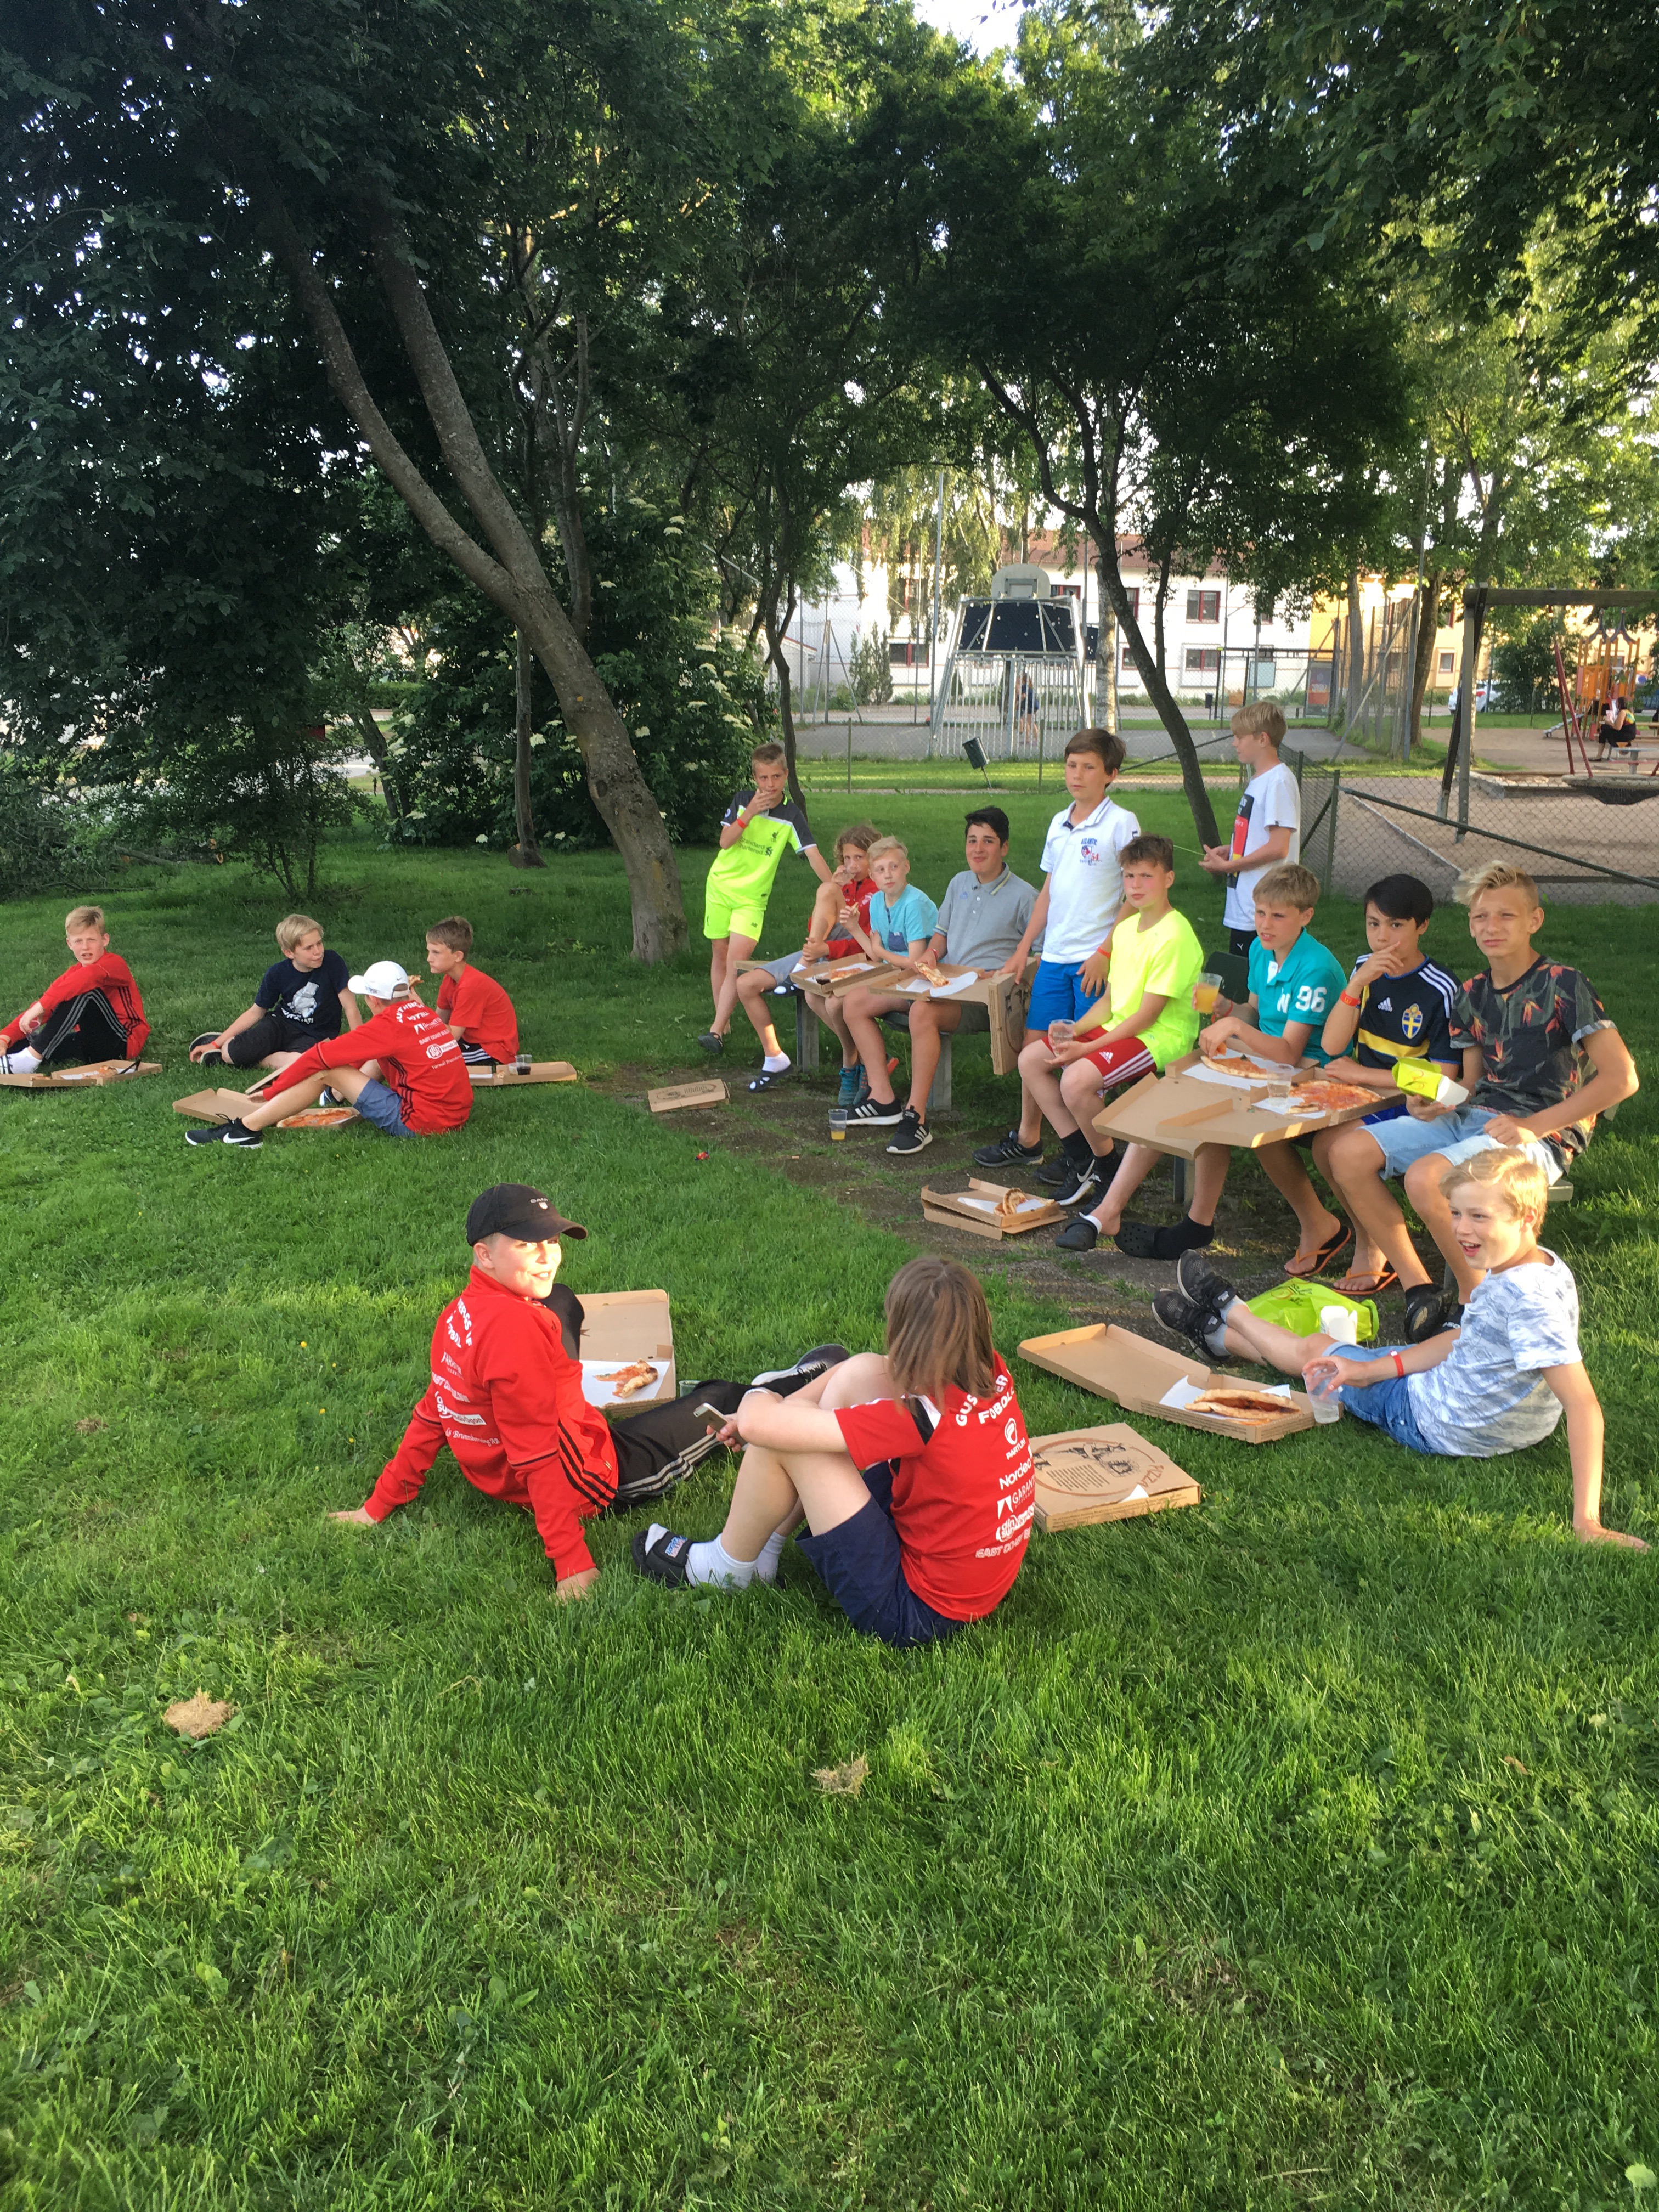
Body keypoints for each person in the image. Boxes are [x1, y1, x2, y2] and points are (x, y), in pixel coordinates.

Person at [328, 1183, 848, 1600]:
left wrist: (376, 1507)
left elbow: (433, 1412)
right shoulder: (515, 1337)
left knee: (558, 1298)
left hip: (539, 1435)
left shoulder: (458, 1315)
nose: (546, 1256)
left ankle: (756, 1392)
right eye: (526, 1245)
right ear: (484, 1255)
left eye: (551, 1242)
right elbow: (537, 1458)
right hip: (595, 1474)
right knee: (722, 1403)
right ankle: (796, 1382)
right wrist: (572, 1565)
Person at [1153, 1156, 1645, 1550]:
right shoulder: (1538, 1265)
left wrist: (1587, 1521)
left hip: (1434, 1419)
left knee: (1317, 1351)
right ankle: (1215, 1336)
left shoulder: (1526, 1300)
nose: (1462, 1230)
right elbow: (1466, 1340)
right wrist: (1375, 1368)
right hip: (1500, 1415)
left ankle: (1230, 1311)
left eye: (1479, 1216)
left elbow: (1584, 1404)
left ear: (1528, 1217)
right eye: (1456, 1213)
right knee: (1348, 1360)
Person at [631, 1255, 1035, 1645]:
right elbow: (855, 1373)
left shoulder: (920, 1419)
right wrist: (781, 1410)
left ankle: (727, 1568)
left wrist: (759, 1398)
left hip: (911, 1611)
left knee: (791, 1442)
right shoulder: (989, 1372)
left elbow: (760, 1427)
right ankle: (766, 1551)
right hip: (964, 1583)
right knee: (860, 1373)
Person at [1319, 860, 1637, 1341]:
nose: (1492, 927)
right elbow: (1469, 1085)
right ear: (1470, 925)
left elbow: (1622, 1079)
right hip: (1474, 1117)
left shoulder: (1564, 984)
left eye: (1506, 916)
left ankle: (1476, 1303)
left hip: (1541, 1136)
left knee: (1427, 1177)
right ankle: (1419, 1288)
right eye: (1481, 917)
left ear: (1534, 920)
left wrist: (1534, 1126)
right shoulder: (1471, 993)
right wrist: (1434, 1102)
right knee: (1347, 1152)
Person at [1057, 862, 1345, 1260]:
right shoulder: (1262, 950)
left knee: (1215, 1109)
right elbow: (1254, 1014)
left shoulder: (1316, 968)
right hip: (1264, 1065)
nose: (1265, 924)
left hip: (1313, 1074)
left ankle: (1186, 1222)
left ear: (1306, 916)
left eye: (1278, 916)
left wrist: (1234, 1027)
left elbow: (1290, 1052)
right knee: (1175, 1098)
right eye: (1260, 913)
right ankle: (1116, 1212)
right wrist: (1227, 1008)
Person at [974, 729, 1138, 1171]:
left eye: (1089, 767)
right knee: (1035, 1050)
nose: (1077, 775)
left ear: (1111, 774)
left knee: (1081, 1056)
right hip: (1053, 958)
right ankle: (1033, 1139)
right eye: (1071, 765)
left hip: (1092, 960)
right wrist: (1023, 948)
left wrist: (1106, 951)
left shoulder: (1121, 823)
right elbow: (1049, 890)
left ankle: (1096, 1155)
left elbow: (1134, 894)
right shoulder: (1058, 822)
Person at [836, 808, 1039, 1153]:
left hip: (984, 996)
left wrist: (1008, 971)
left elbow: (1042, 954)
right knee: (855, 1002)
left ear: (1004, 847)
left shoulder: (1025, 895)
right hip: (943, 981)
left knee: (922, 1012)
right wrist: (931, 954)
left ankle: (915, 1118)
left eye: (988, 841)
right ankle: (883, 1098)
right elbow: (941, 935)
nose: (978, 849)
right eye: (972, 841)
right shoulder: (959, 882)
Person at [1022, 834, 1203, 1210]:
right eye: (1129, 876)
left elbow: (1148, 1015)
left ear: (1168, 879)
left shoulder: (1175, 935)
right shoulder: (1124, 929)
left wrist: (1086, 1048)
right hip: (1123, 1027)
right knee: (1031, 1060)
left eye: (1147, 876)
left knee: (1076, 1081)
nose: (1136, 886)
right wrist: (1076, 1030)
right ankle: (1083, 1157)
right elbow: (1109, 1001)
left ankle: (1107, 1168)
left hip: (1160, 1038)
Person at [1311, 874, 1460, 1299]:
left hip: (1411, 1102)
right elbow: (1332, 1045)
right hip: (1367, 1095)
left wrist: (1365, 1075)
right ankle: (1368, 1236)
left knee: (1336, 1148)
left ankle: (1378, 1246)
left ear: (1422, 926)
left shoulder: (1441, 988)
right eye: (1374, 924)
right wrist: (1356, 985)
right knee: (1322, 1145)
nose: (1382, 937)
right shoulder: (1365, 968)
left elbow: (1443, 1081)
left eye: (1396, 926)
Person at [184, 958, 473, 1147]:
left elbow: (318, 1058)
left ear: (372, 999)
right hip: (455, 1115)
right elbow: (364, 1052)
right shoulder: (421, 1012)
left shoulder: (386, 1026)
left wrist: (274, 1090)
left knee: (327, 1071)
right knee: (373, 1057)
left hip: (421, 1123)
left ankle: (245, 1130)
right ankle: (334, 1096)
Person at [699, 742, 833, 1054]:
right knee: (720, 954)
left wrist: (834, 887)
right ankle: (723, 1019)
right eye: (763, 777)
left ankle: (716, 1031)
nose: (770, 785)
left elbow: (812, 854)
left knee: (736, 962)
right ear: (755, 778)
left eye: (776, 777)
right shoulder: (742, 801)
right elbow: (725, 842)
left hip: (752, 899)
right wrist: (749, 814)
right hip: (720, 887)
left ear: (785, 776)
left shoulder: (791, 815)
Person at [734, 820, 880, 1097]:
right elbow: (816, 926)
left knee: (817, 994)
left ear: (874, 857)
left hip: (847, 957)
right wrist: (836, 888)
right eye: (847, 858)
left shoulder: (879, 890)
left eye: (859, 857)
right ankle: (775, 1058)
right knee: (746, 985)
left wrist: (826, 950)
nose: (852, 865)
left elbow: (867, 946)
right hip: (819, 954)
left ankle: (865, 1056)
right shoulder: (843, 887)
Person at [189, 913, 359, 1074]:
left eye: (319, 943)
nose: (318, 951)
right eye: (309, 948)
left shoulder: (332, 963)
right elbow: (256, 1012)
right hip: (280, 1025)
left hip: (316, 1034)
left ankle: (258, 1058)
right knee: (229, 1054)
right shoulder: (277, 973)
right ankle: (230, 1044)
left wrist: (360, 1046)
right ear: (289, 953)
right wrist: (215, 1044)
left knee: (302, 1062)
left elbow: (350, 1007)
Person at [1198, 702, 1300, 957]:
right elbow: (1259, 837)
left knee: (1253, 980)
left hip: (1265, 911)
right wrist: (1232, 850)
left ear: (1263, 739)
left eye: (1240, 737)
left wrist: (1229, 867)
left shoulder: (1278, 781)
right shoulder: (1260, 780)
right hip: (1247, 908)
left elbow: (1279, 847)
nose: (1235, 743)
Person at [0, 905, 148, 1074]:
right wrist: (5, 1038)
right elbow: (48, 1005)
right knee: (24, 1042)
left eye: (91, 940)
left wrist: (41, 1006)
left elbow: (90, 977)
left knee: (86, 993)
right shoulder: (72, 975)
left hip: (122, 1043)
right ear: (69, 944)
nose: (85, 947)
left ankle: (31, 1059)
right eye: (78, 941)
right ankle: (18, 1056)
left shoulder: (115, 963)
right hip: (87, 1043)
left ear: (105, 940)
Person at [424, 915, 519, 1069]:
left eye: (436, 953)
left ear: (458, 956)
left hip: (492, 1050)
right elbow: (439, 1023)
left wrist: (419, 1010)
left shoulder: (471, 986)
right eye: (429, 951)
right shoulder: (450, 980)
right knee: (415, 1050)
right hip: (469, 1042)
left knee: (428, 1058)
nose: (429, 959)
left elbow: (450, 1038)